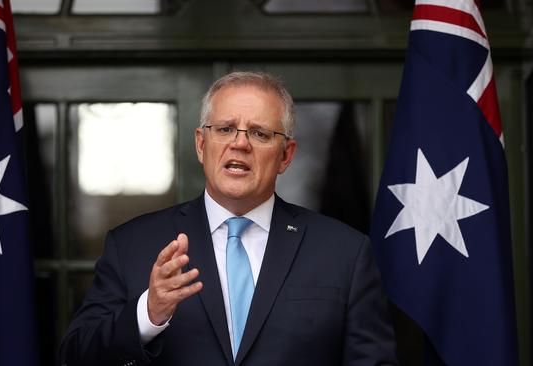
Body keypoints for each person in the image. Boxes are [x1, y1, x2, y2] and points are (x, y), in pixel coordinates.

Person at [60, 71, 398, 366]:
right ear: (200, 144)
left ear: (286, 156)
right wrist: (148, 314)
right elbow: (76, 356)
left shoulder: (344, 253)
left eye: (260, 133)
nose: (240, 144)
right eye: (225, 129)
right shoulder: (132, 245)